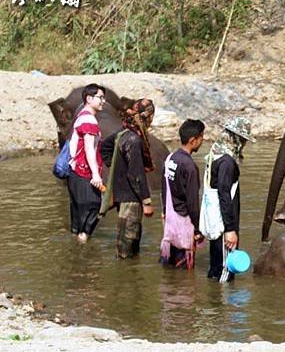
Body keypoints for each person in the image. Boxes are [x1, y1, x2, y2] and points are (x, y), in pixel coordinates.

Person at [100, 98, 155, 259]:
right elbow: (136, 174)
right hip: (131, 199)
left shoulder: (123, 133)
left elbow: (104, 148)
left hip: (123, 195)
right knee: (127, 246)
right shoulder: (134, 140)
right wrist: (147, 202)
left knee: (129, 241)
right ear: (149, 118)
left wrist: (118, 170)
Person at [203, 116, 255, 283]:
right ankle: (222, 308)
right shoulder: (227, 162)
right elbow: (225, 196)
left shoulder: (215, 154)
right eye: (243, 140)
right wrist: (230, 230)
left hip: (215, 221)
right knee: (225, 273)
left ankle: (212, 305)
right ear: (237, 139)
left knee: (215, 268)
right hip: (223, 225)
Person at [159, 119, 205, 269]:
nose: (202, 141)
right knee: (185, 271)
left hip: (170, 220)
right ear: (193, 140)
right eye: (201, 138)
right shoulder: (189, 166)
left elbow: (164, 188)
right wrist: (198, 229)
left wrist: (164, 212)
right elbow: (192, 201)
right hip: (184, 222)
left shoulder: (170, 158)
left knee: (170, 266)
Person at [67, 83, 105, 243]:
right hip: (84, 174)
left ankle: (77, 254)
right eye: (100, 97)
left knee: (78, 217)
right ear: (89, 99)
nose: (103, 101)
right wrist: (96, 175)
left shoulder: (81, 116)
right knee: (93, 209)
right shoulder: (89, 119)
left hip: (74, 173)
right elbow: (89, 149)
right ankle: (83, 252)